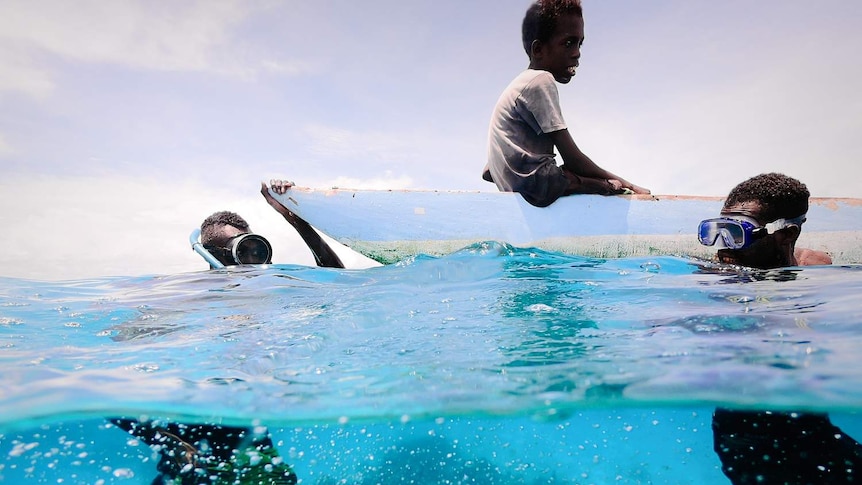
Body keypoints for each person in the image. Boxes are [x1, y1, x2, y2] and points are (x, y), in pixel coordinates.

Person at [112, 209, 305, 484]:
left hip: (252, 455)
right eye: (241, 251)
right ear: (214, 254)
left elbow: (340, 288)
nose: (249, 262)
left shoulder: (269, 297)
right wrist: (169, 443)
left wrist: (298, 221)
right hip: (191, 465)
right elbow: (98, 376)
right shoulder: (181, 297)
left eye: (254, 249)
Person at [698, 172, 862, 484]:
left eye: (738, 233)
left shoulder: (818, 270)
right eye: (716, 232)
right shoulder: (715, 276)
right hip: (744, 436)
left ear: (786, 234)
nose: (722, 248)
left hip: (811, 423)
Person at [482, 0, 650, 207]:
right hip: (539, 187)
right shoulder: (540, 80)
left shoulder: (517, 86)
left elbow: (487, 171)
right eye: (569, 43)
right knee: (603, 184)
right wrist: (628, 185)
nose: (577, 53)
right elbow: (574, 158)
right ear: (538, 50)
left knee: (562, 172)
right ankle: (595, 185)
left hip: (514, 186)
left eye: (580, 44)